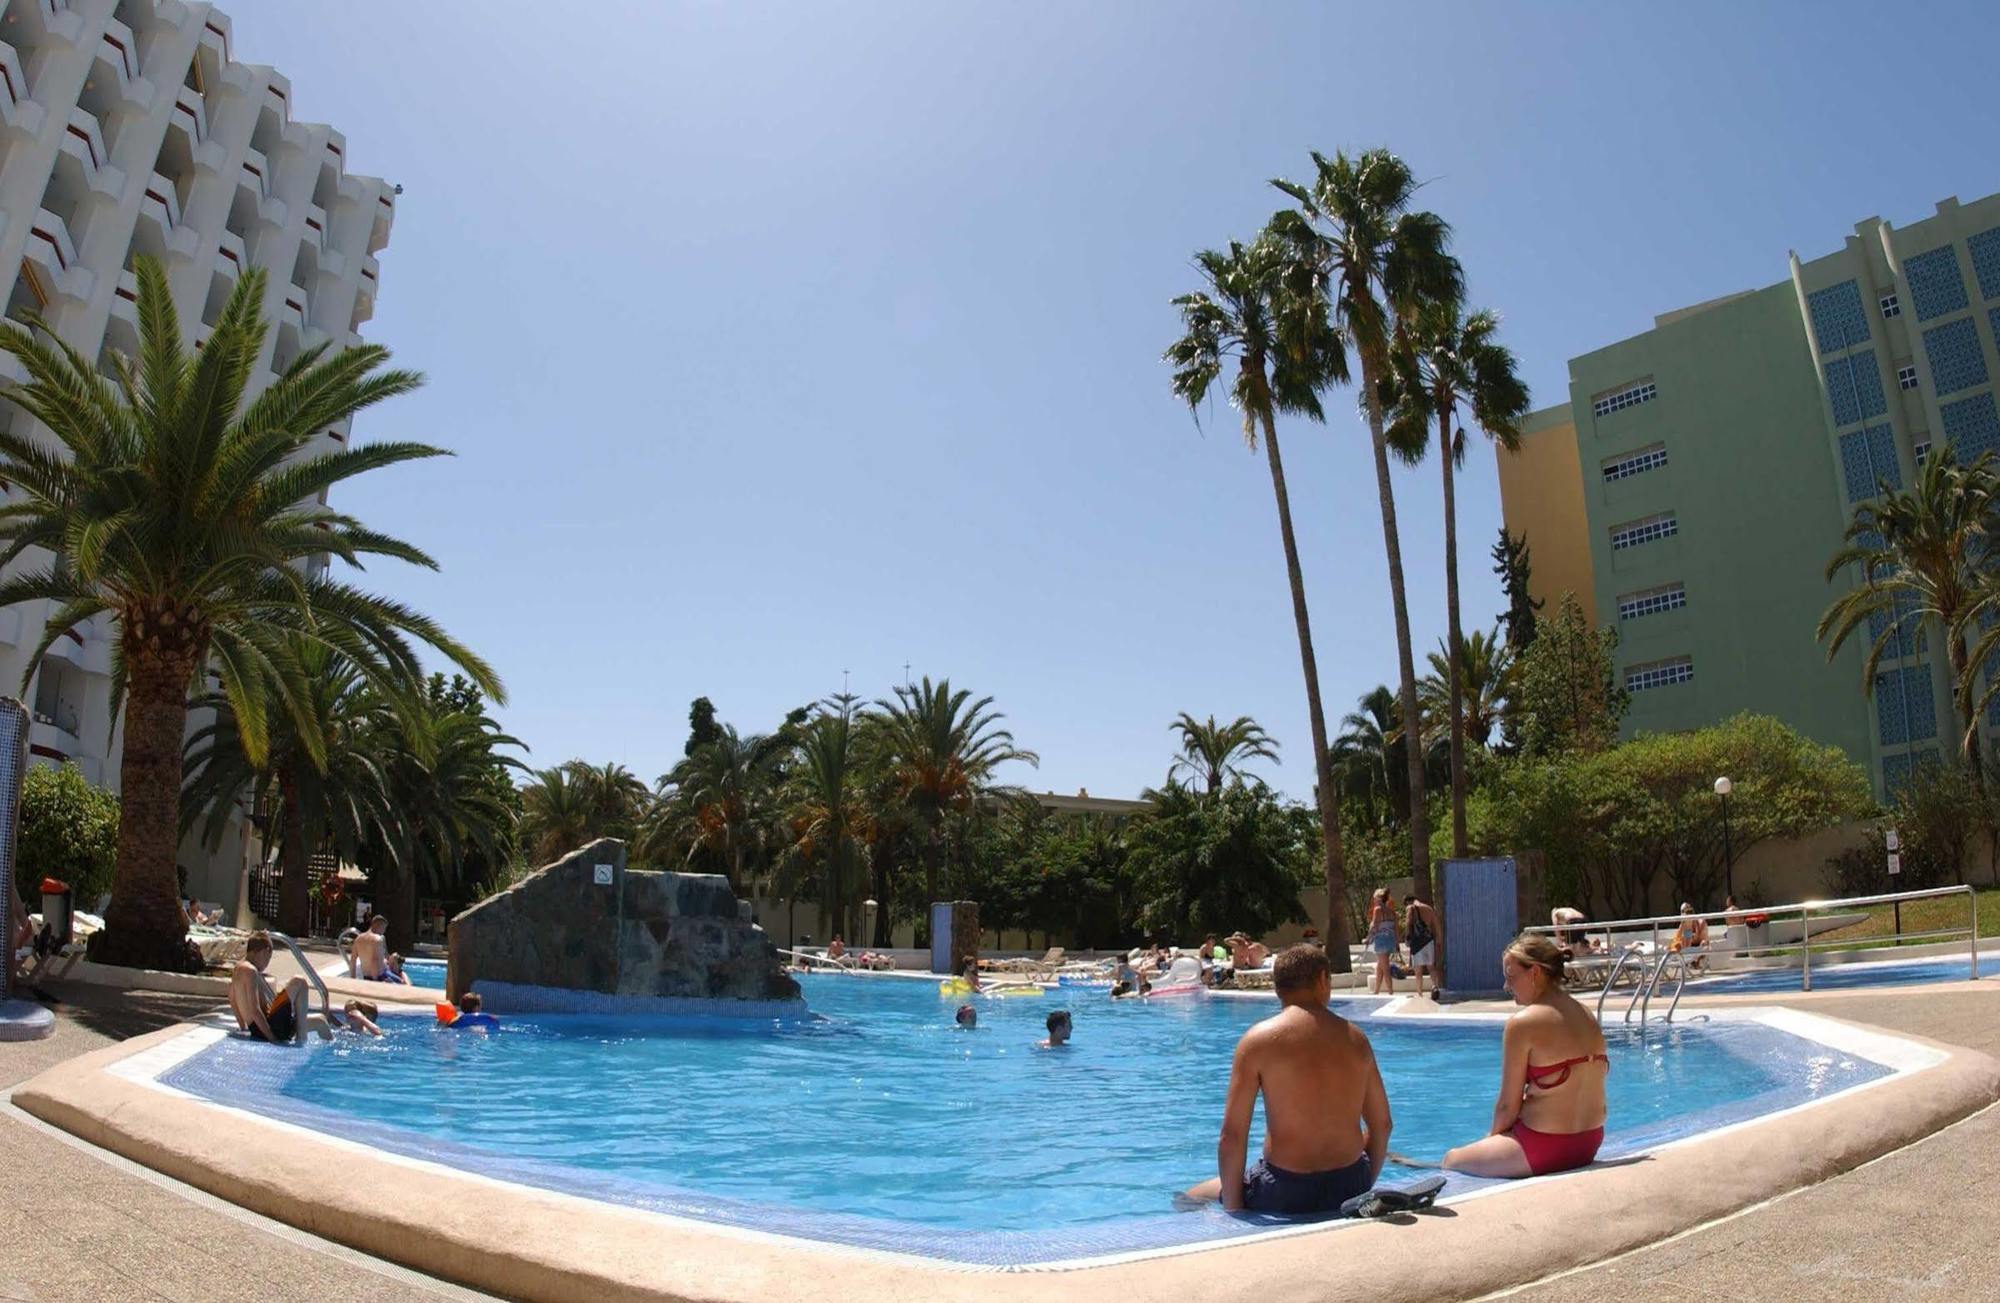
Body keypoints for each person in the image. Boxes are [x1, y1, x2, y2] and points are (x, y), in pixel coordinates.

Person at [1183, 944, 1390, 1215]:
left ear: (1276, 986)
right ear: (1322, 980)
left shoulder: (1257, 1041)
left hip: (1283, 1191)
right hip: (1349, 1185)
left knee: (1190, 1197)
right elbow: (1383, 1125)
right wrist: (1362, 1186)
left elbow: (1231, 1136)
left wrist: (1235, 1211)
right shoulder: (1356, 1039)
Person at [1440, 934, 1607, 1178]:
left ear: (1535, 973)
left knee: (1451, 1160)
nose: (1506, 986)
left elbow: (1508, 1106)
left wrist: (1491, 1140)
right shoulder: (1586, 1014)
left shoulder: (1522, 1024)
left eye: (1510, 977)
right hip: (1589, 1143)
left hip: (1544, 1147)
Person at [229, 932, 309, 1044]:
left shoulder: (238, 968)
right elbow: (255, 1010)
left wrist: (243, 1027)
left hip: (258, 1029)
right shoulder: (251, 971)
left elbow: (232, 998)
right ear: (265, 951)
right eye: (269, 958)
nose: (267, 963)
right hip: (270, 1028)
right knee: (299, 981)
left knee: (319, 1021)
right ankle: (301, 1040)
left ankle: (301, 1034)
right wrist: (272, 1039)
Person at [1403, 892, 1441, 1000]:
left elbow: (1408, 923)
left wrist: (1407, 938)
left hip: (1417, 942)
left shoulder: (1411, 907)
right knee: (1431, 967)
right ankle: (1435, 986)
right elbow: (1436, 924)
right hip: (1428, 940)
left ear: (1407, 902)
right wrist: (1438, 939)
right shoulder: (1428, 908)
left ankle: (1419, 994)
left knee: (1418, 970)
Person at [1367, 888, 1398, 995]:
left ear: (1378, 899)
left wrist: (1368, 939)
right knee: (1380, 965)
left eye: (1374, 898)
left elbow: (1374, 926)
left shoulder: (1378, 910)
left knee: (1385, 968)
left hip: (1381, 940)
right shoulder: (1391, 912)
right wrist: (1397, 944)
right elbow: (1396, 929)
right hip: (1390, 940)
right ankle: (1376, 990)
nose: (1373, 900)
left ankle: (1390, 992)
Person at [350, 914, 391, 980]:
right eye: (384, 928)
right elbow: (374, 960)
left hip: (366, 977)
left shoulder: (358, 939)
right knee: (402, 984)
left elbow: (353, 960)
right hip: (379, 977)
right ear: (378, 926)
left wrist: (352, 978)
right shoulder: (377, 939)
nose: (384, 931)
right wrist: (375, 981)